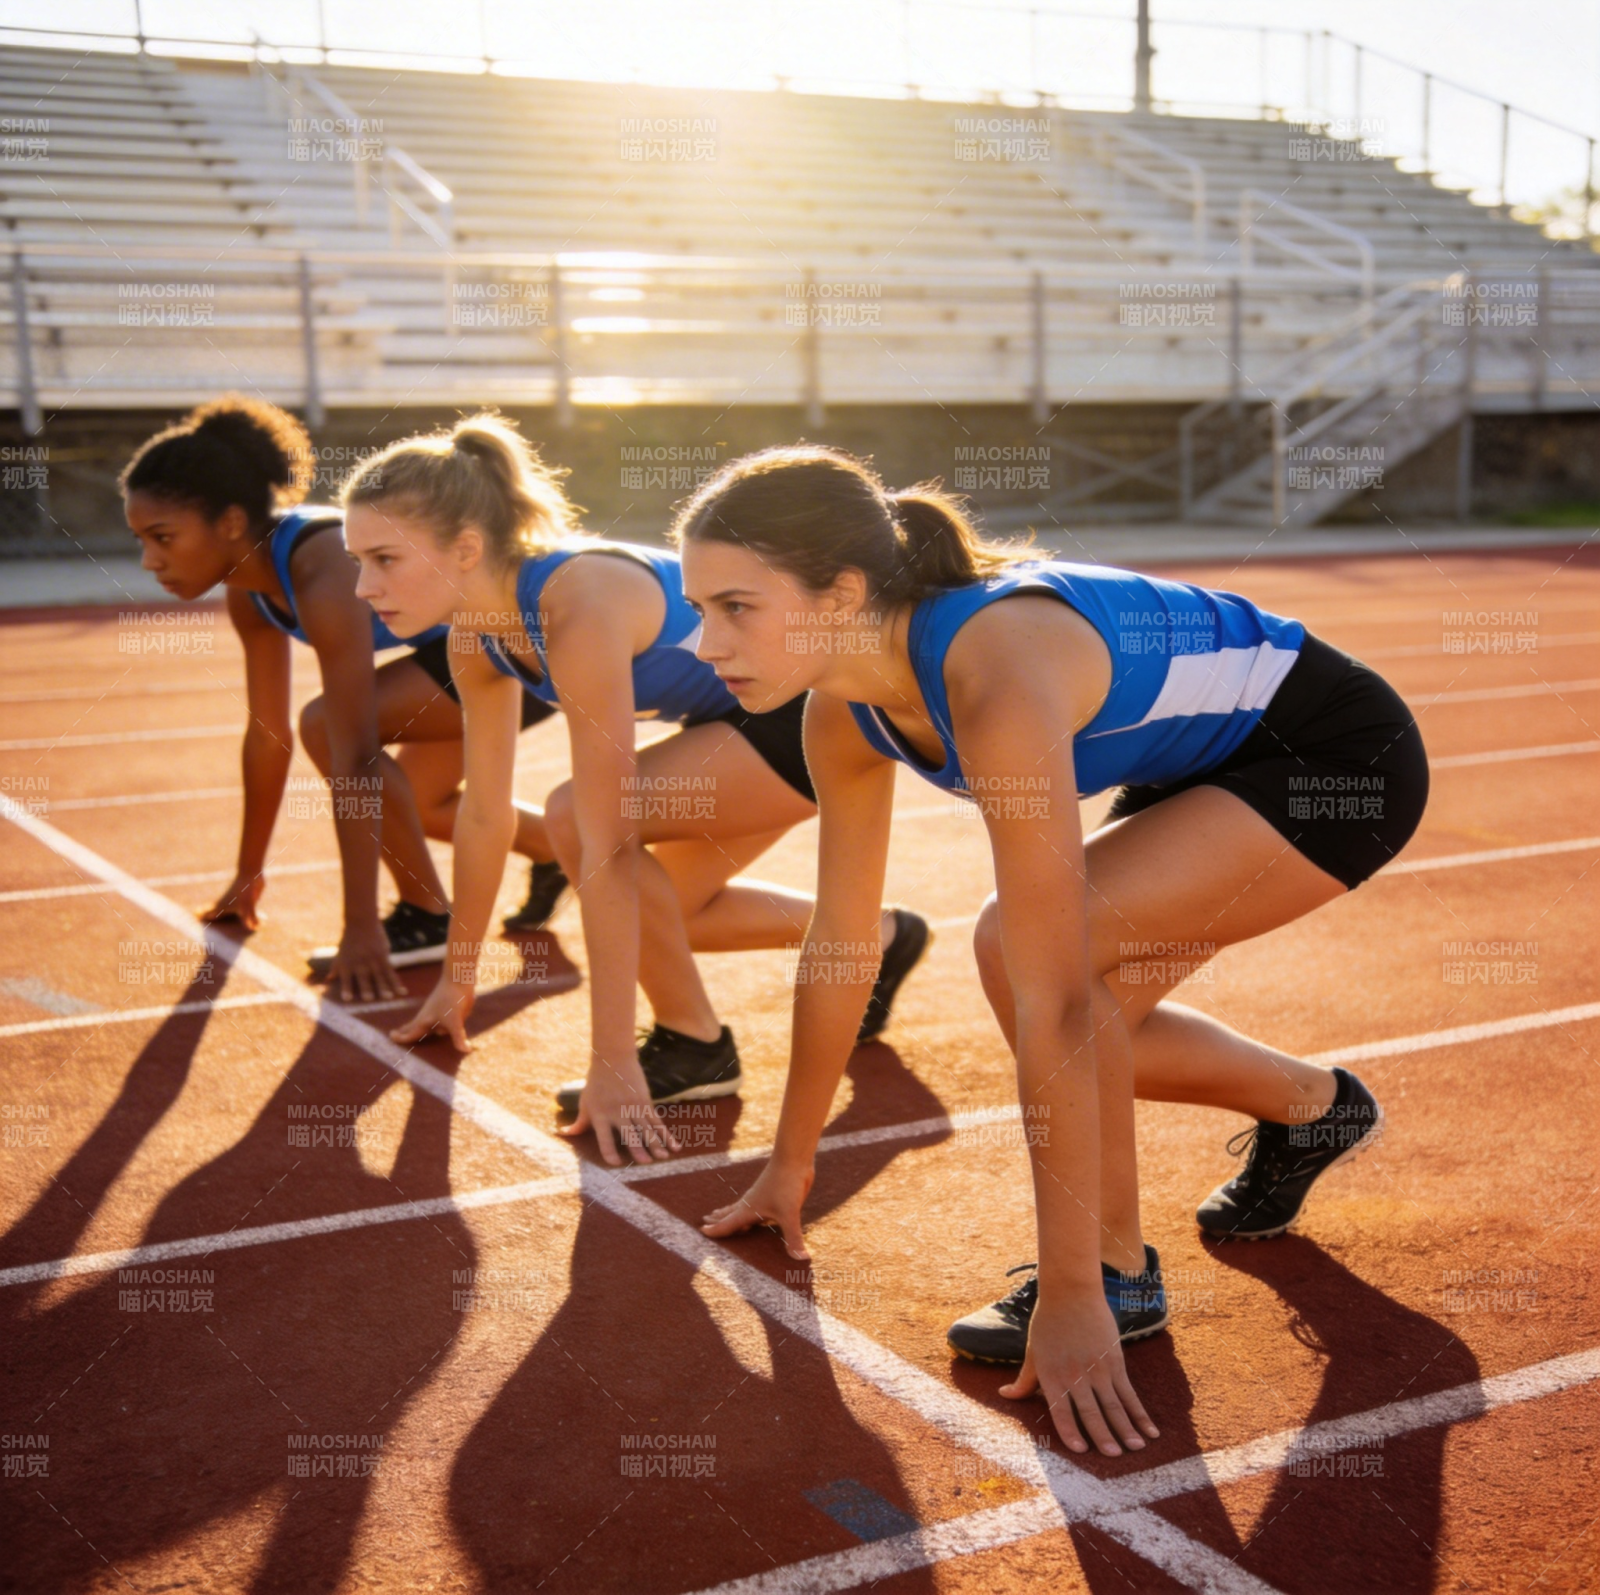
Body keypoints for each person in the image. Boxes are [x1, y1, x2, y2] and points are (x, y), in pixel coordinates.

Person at [682, 446, 1427, 1458]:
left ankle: (1112, 1278)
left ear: (842, 591)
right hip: (1195, 759)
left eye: (735, 606)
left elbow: (1055, 1001)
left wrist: (1067, 1290)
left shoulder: (996, 674)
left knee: (1031, 960)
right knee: (1085, 998)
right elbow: (840, 938)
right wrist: (790, 1160)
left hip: (1333, 755)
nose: (702, 639)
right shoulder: (838, 709)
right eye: (698, 608)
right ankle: (1312, 1106)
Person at [339, 414, 930, 1167]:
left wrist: (610, 1057)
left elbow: (606, 830)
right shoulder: (475, 636)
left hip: (802, 713)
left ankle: (693, 1044)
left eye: (383, 558)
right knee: (670, 913)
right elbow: (486, 814)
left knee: (575, 817)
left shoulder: (579, 600)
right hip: (735, 721)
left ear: (465, 548)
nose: (363, 586)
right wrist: (460, 979)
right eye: (357, 560)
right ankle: (881, 937)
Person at [121, 396, 564, 1001]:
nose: (149, 561)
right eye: (141, 540)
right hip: (460, 658)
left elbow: (353, 752)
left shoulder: (323, 564)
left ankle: (425, 915)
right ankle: (561, 850)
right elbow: (265, 736)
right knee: (429, 807)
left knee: (328, 727)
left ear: (228, 523)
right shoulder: (247, 592)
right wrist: (249, 873)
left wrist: (360, 929)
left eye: (162, 537)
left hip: (515, 653)